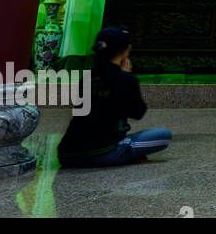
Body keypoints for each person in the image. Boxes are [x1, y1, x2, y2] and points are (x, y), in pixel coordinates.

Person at [58, 26, 172, 168]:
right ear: (126, 50)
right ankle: (122, 155)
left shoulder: (87, 77)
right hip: (102, 152)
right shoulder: (125, 79)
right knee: (164, 135)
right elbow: (138, 112)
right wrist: (126, 76)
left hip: (67, 154)